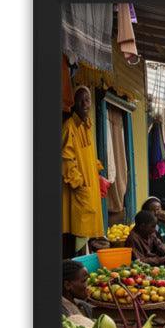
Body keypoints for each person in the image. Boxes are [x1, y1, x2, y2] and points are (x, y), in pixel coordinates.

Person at [62, 86, 105, 245]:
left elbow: (88, 155)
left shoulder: (87, 126)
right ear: (74, 103)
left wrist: (97, 172)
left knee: (88, 233)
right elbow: (66, 158)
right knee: (79, 233)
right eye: (81, 100)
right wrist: (78, 182)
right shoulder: (69, 127)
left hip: (90, 186)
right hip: (80, 188)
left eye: (88, 100)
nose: (85, 103)